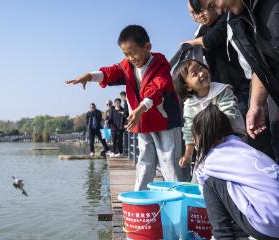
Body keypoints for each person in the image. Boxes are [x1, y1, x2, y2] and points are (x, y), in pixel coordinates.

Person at [67, 25, 189, 190]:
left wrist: (139, 109)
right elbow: (110, 73)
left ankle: (176, 197)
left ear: (147, 47)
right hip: (142, 122)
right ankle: (140, 196)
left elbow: (156, 90)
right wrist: (90, 76)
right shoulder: (127, 66)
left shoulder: (161, 65)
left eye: (133, 52)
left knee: (169, 162)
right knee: (144, 161)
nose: (130, 57)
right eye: (126, 54)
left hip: (164, 122)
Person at [184, 0, 275, 159]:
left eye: (206, 8)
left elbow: (209, 41)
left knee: (251, 135)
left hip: (240, 87)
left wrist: (190, 43)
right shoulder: (211, 26)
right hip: (226, 90)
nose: (199, 16)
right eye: (194, 13)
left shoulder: (226, 18)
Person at [193, 104, 279, 240]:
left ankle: (223, 236)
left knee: (209, 182)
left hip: (269, 225)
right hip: (272, 216)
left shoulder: (209, 163)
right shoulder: (246, 149)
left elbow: (207, 197)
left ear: (201, 138)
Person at [173, 46, 246, 169]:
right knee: (199, 177)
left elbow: (229, 115)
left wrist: (209, 134)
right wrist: (188, 154)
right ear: (188, 87)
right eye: (195, 74)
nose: (201, 73)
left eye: (201, 68)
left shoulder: (222, 90)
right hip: (206, 148)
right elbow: (189, 129)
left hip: (231, 141)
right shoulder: (190, 104)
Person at [119, 91, 129, 156]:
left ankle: (126, 151)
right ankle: (126, 151)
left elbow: (126, 111)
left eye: (120, 97)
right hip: (128, 120)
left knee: (126, 136)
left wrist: (122, 113)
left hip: (128, 121)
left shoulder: (126, 102)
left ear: (122, 96)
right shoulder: (127, 101)